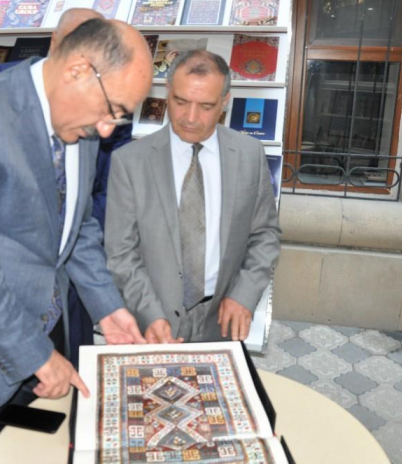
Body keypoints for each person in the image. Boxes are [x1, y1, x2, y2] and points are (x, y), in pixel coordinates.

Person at [0, 18, 152, 464]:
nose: (110, 129)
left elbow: (77, 226)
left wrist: (107, 308)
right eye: (113, 109)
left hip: (45, 329)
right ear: (78, 70)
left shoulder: (81, 121)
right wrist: (36, 355)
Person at [105, 50, 282, 344]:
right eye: (181, 101)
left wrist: (244, 294)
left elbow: (264, 234)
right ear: (167, 91)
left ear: (225, 101)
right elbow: (120, 253)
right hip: (153, 320)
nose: (190, 117)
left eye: (206, 106)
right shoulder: (130, 162)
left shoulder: (249, 155)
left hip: (221, 317)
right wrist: (150, 313)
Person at [48, 8, 135, 367]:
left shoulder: (101, 109)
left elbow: (98, 195)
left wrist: (108, 306)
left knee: (73, 369)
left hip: (74, 271)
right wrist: (33, 355)